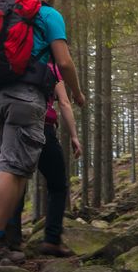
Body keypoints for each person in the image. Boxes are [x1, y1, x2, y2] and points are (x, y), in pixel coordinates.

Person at [0, 0, 85, 263]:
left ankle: (6, 243)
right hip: (25, 97)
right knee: (13, 170)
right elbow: (63, 63)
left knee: (11, 169)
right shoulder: (48, 14)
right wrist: (76, 93)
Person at [5, 64, 81, 258]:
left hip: (14, 127)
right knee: (57, 185)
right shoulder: (50, 67)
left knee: (15, 180)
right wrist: (74, 136)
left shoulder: (14, 64)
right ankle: (52, 240)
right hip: (43, 126)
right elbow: (64, 102)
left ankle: (11, 241)